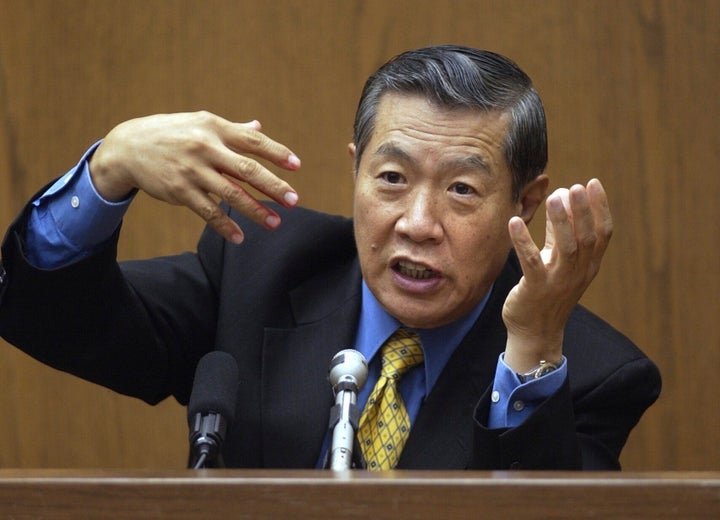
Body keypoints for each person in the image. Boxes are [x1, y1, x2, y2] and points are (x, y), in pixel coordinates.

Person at [0, 45, 660, 470]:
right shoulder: (257, 270)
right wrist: (108, 170)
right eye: (392, 178)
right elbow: (48, 314)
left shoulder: (591, 374)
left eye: (462, 189)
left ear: (526, 201)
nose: (418, 223)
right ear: (356, 171)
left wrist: (534, 348)